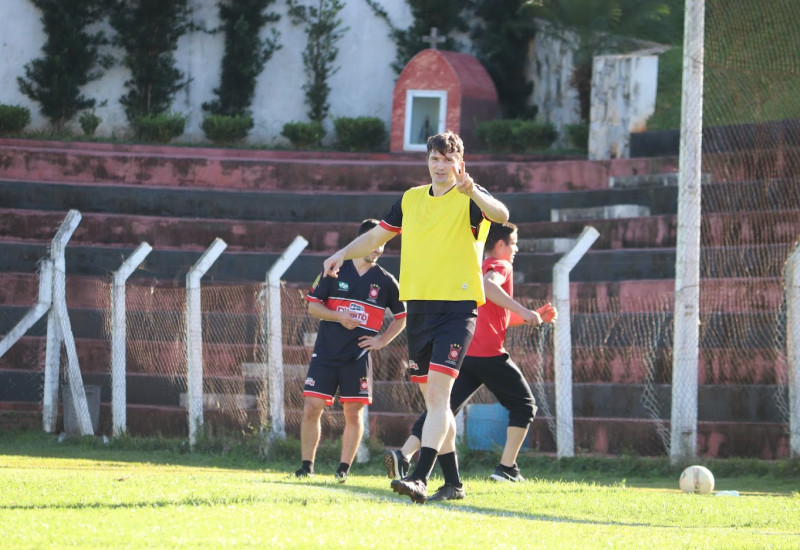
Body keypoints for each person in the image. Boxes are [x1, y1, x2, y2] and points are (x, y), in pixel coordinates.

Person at [322, 131, 510, 503]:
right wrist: (342, 253)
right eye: (434, 159)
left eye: (447, 160)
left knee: (439, 397)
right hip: (420, 310)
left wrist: (473, 191)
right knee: (435, 404)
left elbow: (502, 215)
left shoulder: (471, 198)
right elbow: (377, 236)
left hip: (457, 309)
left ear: (460, 163)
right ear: (428, 161)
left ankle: (420, 478)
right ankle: (454, 483)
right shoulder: (410, 200)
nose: (440, 167)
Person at [383, 222, 557, 501]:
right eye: (513, 243)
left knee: (441, 409)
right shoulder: (500, 266)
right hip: (488, 353)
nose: (516, 249)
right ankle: (507, 468)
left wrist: (529, 315)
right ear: (500, 244)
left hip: (464, 353)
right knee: (525, 405)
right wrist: (525, 310)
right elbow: (489, 287)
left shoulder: (475, 266)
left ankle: (405, 454)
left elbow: (494, 315)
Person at [295, 219, 407, 483]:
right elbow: (312, 306)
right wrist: (337, 316)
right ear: (359, 242)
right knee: (312, 407)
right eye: (372, 242)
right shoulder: (335, 268)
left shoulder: (386, 282)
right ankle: (306, 467)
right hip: (326, 352)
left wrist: (381, 341)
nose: (377, 249)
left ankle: (343, 470)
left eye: (381, 244)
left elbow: (402, 317)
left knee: (353, 412)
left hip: (357, 357)